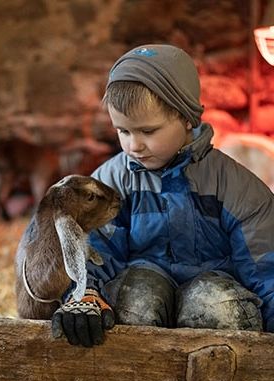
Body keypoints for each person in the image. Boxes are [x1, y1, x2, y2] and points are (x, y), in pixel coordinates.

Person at [51, 44, 274, 347]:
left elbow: (265, 265)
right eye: (123, 131)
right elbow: (95, 249)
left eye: (148, 131)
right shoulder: (112, 182)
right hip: (145, 282)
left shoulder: (234, 186)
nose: (133, 146)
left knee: (216, 306)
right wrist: (85, 296)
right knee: (135, 299)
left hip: (214, 285)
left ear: (186, 118)